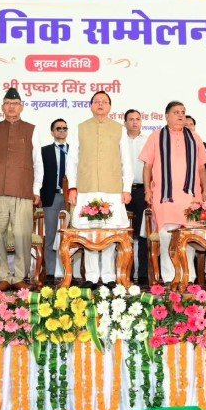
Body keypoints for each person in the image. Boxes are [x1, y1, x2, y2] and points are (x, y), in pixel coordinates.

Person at [0, 88, 43, 291]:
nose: (11, 107)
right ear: (2, 107)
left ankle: (20, 277)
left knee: (23, 234)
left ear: (21, 107)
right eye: (7, 103)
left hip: (22, 189)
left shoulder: (32, 129)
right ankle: (3, 277)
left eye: (15, 104)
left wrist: (36, 189)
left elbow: (38, 162)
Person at [67, 91, 133, 289]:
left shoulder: (119, 129)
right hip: (86, 189)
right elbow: (72, 160)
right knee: (89, 233)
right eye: (97, 101)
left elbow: (126, 161)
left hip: (112, 190)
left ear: (110, 107)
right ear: (91, 106)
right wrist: (72, 187)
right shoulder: (80, 128)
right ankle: (91, 277)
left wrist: (126, 188)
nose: (100, 104)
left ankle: (109, 276)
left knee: (109, 233)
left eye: (104, 102)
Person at [139, 101, 206, 284]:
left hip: (191, 198)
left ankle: (189, 276)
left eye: (183, 112)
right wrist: (147, 190)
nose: (180, 115)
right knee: (166, 236)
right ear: (167, 116)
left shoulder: (194, 137)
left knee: (189, 236)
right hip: (165, 197)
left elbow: (201, 168)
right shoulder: (156, 136)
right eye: (176, 112)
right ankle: (169, 277)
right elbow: (147, 166)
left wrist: (205, 191)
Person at [39, 118, 69, 286]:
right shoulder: (44, 151)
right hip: (52, 197)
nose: (62, 131)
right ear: (52, 132)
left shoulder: (74, 151)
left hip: (70, 199)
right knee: (50, 235)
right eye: (58, 128)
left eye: (65, 128)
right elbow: (38, 175)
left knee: (70, 237)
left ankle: (68, 273)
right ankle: (50, 273)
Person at [123, 109, 149, 284]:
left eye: (137, 119)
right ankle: (126, 272)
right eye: (131, 119)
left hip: (142, 191)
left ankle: (143, 274)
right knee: (124, 234)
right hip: (122, 191)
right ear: (125, 122)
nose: (134, 122)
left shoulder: (148, 141)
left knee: (142, 234)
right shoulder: (119, 140)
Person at [185, 116, 206, 203]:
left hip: (200, 189)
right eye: (186, 124)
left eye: (191, 124)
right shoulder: (174, 145)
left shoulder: (205, 146)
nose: (189, 127)